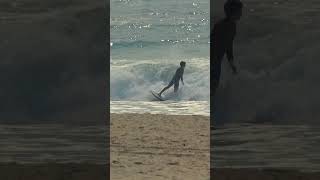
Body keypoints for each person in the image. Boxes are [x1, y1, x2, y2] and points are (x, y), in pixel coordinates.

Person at [211, 0, 243, 97]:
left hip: (217, 60)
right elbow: (211, 43)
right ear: (233, 12)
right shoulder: (220, 26)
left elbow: (228, 46)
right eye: (239, 11)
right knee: (212, 86)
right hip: (212, 60)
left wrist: (231, 62)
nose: (241, 13)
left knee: (214, 86)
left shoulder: (232, 26)